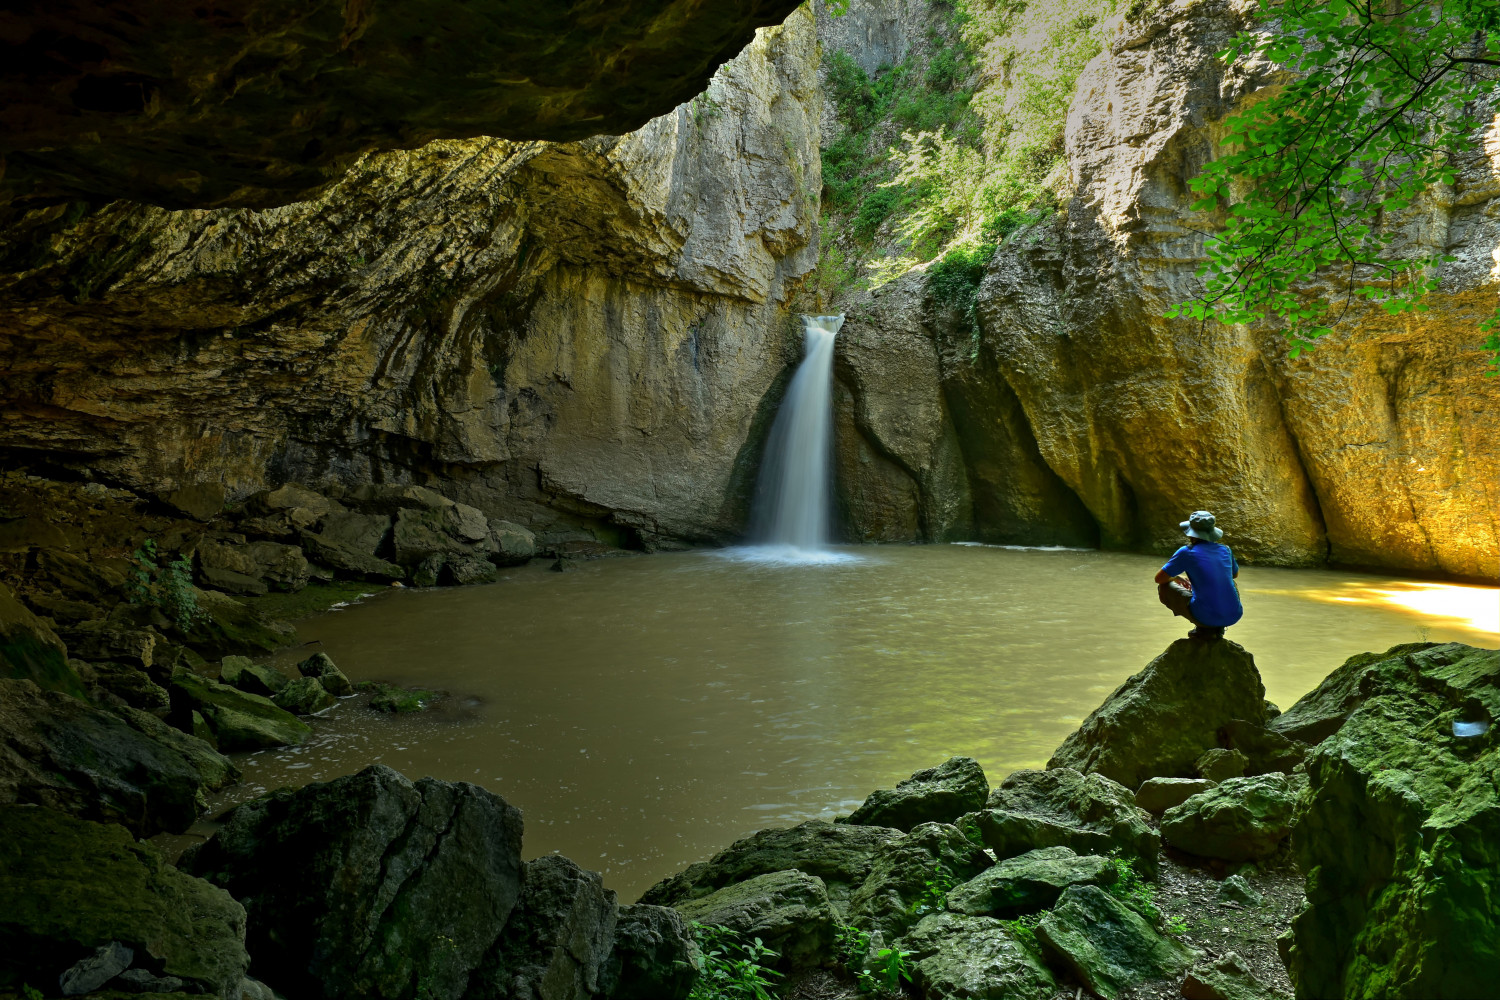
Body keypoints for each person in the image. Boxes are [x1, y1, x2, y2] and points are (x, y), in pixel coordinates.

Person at [1154, 510, 1243, 640]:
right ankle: (1218, 628)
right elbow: (1234, 574)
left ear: (1192, 534)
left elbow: (1159, 578)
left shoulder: (1186, 552)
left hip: (1204, 616)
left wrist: (1176, 577)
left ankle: (1203, 628)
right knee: (1230, 582)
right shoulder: (1226, 550)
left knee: (1164, 586)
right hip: (1234, 615)